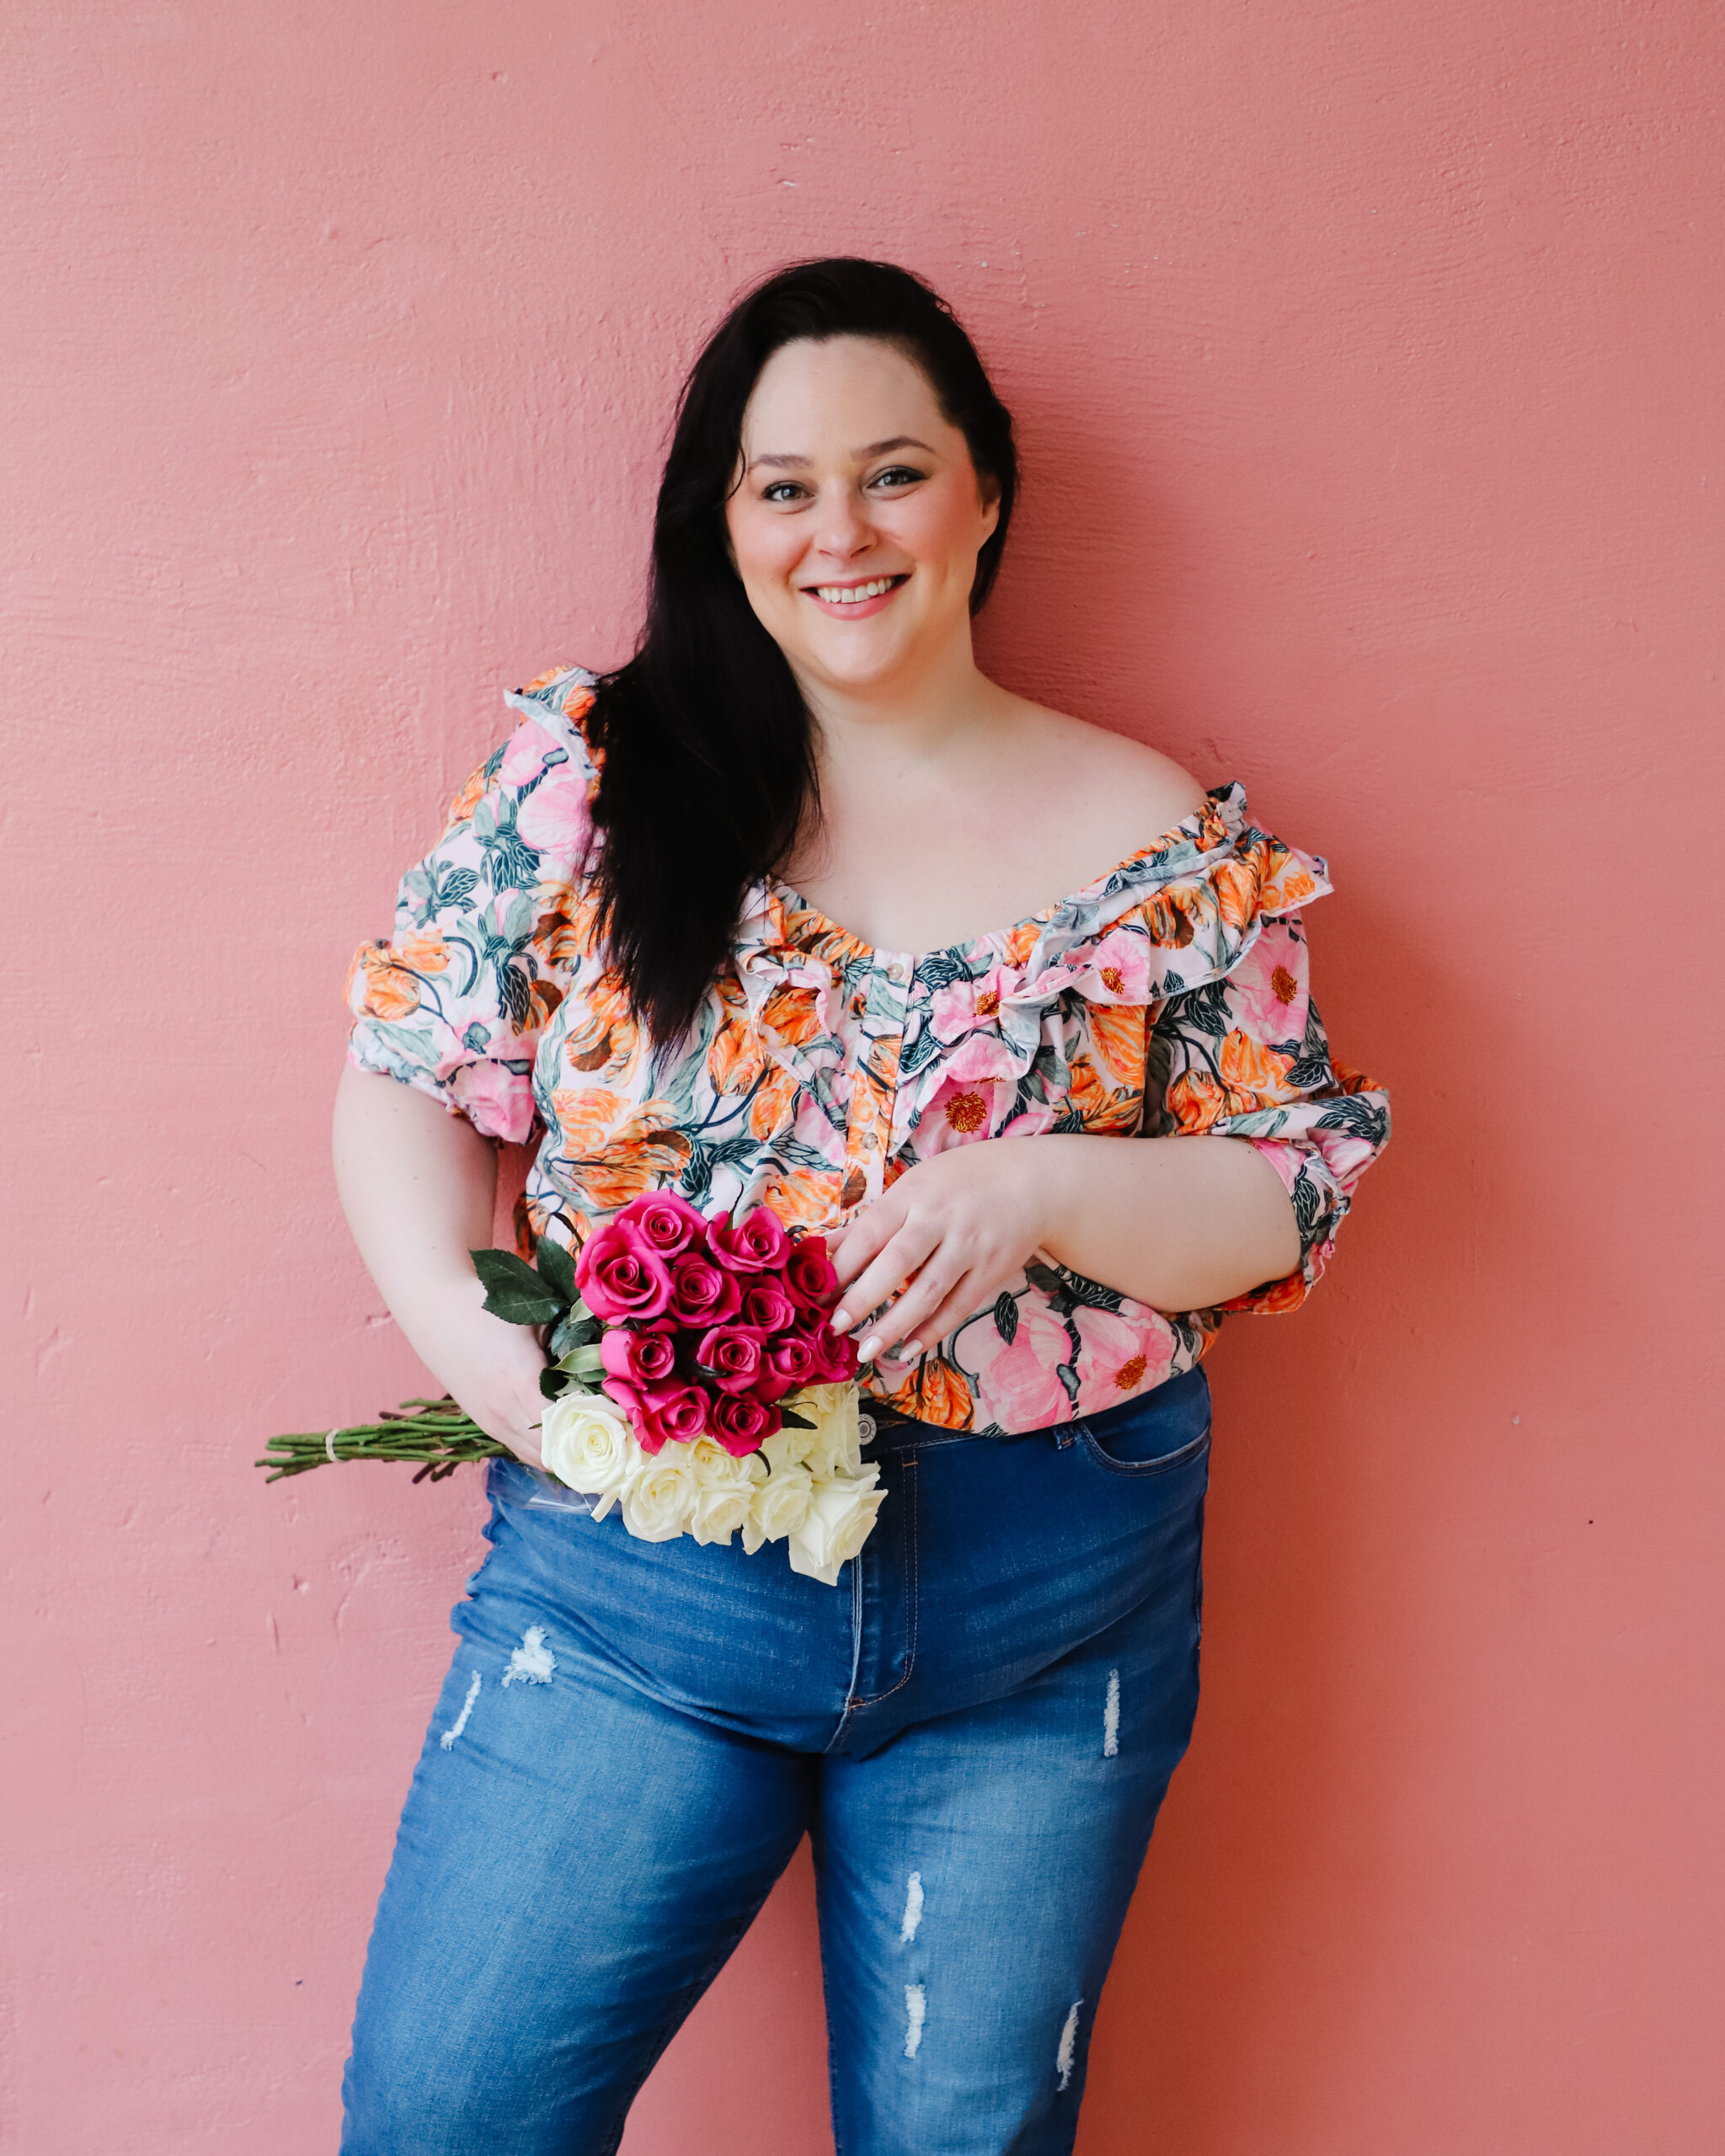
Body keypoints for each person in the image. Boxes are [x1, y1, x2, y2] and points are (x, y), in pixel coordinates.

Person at [332, 257, 1389, 2155]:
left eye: (892, 473)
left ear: (982, 491)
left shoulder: (1147, 836)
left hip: (1047, 1590)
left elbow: (1287, 1184)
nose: (840, 531)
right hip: (638, 1574)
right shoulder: (596, 781)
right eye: (782, 484)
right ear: (719, 519)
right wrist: (497, 1371)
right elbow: (410, 1073)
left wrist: (1039, 1187)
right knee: (444, 2118)